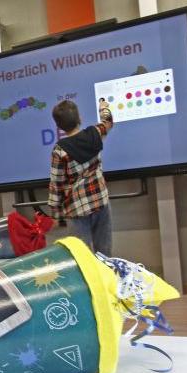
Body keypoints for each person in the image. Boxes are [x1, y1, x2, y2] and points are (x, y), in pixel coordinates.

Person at [48, 99, 115, 256]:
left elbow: (56, 184)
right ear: (80, 119)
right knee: (105, 255)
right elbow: (108, 121)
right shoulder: (94, 133)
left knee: (83, 257)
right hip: (101, 203)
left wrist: (56, 215)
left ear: (59, 126)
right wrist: (104, 108)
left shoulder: (59, 150)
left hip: (76, 210)